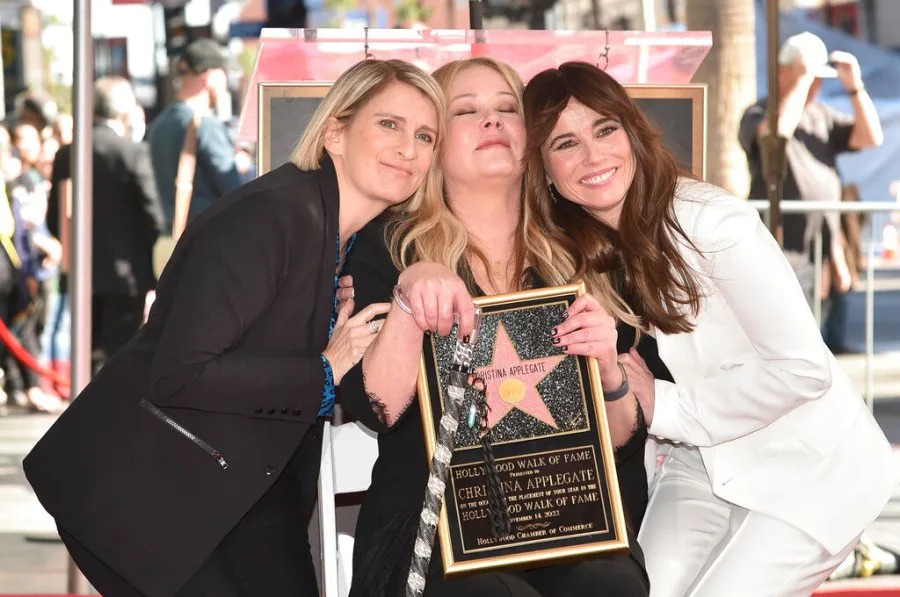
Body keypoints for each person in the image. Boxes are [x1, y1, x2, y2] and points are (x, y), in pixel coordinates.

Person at [23, 58, 444, 597]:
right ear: (335, 132)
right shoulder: (272, 216)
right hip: (160, 499)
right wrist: (325, 367)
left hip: (243, 497)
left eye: (425, 135)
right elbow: (181, 374)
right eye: (390, 124)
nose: (409, 148)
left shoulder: (340, 234)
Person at [523, 60, 895, 597]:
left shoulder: (711, 222)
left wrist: (662, 403)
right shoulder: (578, 253)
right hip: (696, 461)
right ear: (543, 169)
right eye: (565, 143)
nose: (593, 155)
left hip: (806, 466)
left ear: (632, 132)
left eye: (605, 130)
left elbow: (804, 370)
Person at [340, 57, 649, 597]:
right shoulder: (389, 248)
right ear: (435, 145)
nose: (492, 120)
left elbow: (622, 438)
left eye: (508, 108)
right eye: (467, 111)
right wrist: (410, 297)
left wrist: (608, 372)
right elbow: (378, 409)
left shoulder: (585, 250)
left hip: (565, 517)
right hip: (432, 525)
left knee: (611, 586)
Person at [739, 32, 883, 309]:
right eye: (809, 76)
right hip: (784, 250)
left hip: (826, 248)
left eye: (819, 78)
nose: (816, 84)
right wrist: (801, 81)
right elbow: (776, 135)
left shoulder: (822, 114)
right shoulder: (757, 113)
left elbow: (871, 137)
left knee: (829, 328)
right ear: (782, 72)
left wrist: (855, 87)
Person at [49, 77, 165, 374]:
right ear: (124, 111)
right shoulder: (132, 152)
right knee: (120, 359)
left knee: (86, 356)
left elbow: (55, 217)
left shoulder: (66, 153)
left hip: (79, 271)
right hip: (126, 275)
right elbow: (152, 216)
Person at [147, 38, 242, 230]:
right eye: (224, 74)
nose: (226, 85)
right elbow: (236, 191)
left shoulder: (158, 126)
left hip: (174, 236)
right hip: (209, 236)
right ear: (209, 76)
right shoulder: (206, 126)